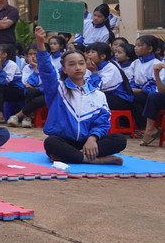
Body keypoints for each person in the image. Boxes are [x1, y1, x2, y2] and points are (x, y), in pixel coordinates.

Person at [34, 26, 126, 164]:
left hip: (88, 143)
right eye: (72, 64)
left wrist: (92, 138)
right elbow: (47, 71)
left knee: (120, 140)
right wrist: (41, 44)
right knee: (51, 142)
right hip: (64, 140)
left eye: (81, 63)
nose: (78, 67)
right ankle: (91, 160)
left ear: (86, 66)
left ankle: (76, 156)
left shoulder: (98, 94)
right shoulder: (58, 88)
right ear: (64, 69)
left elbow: (103, 121)